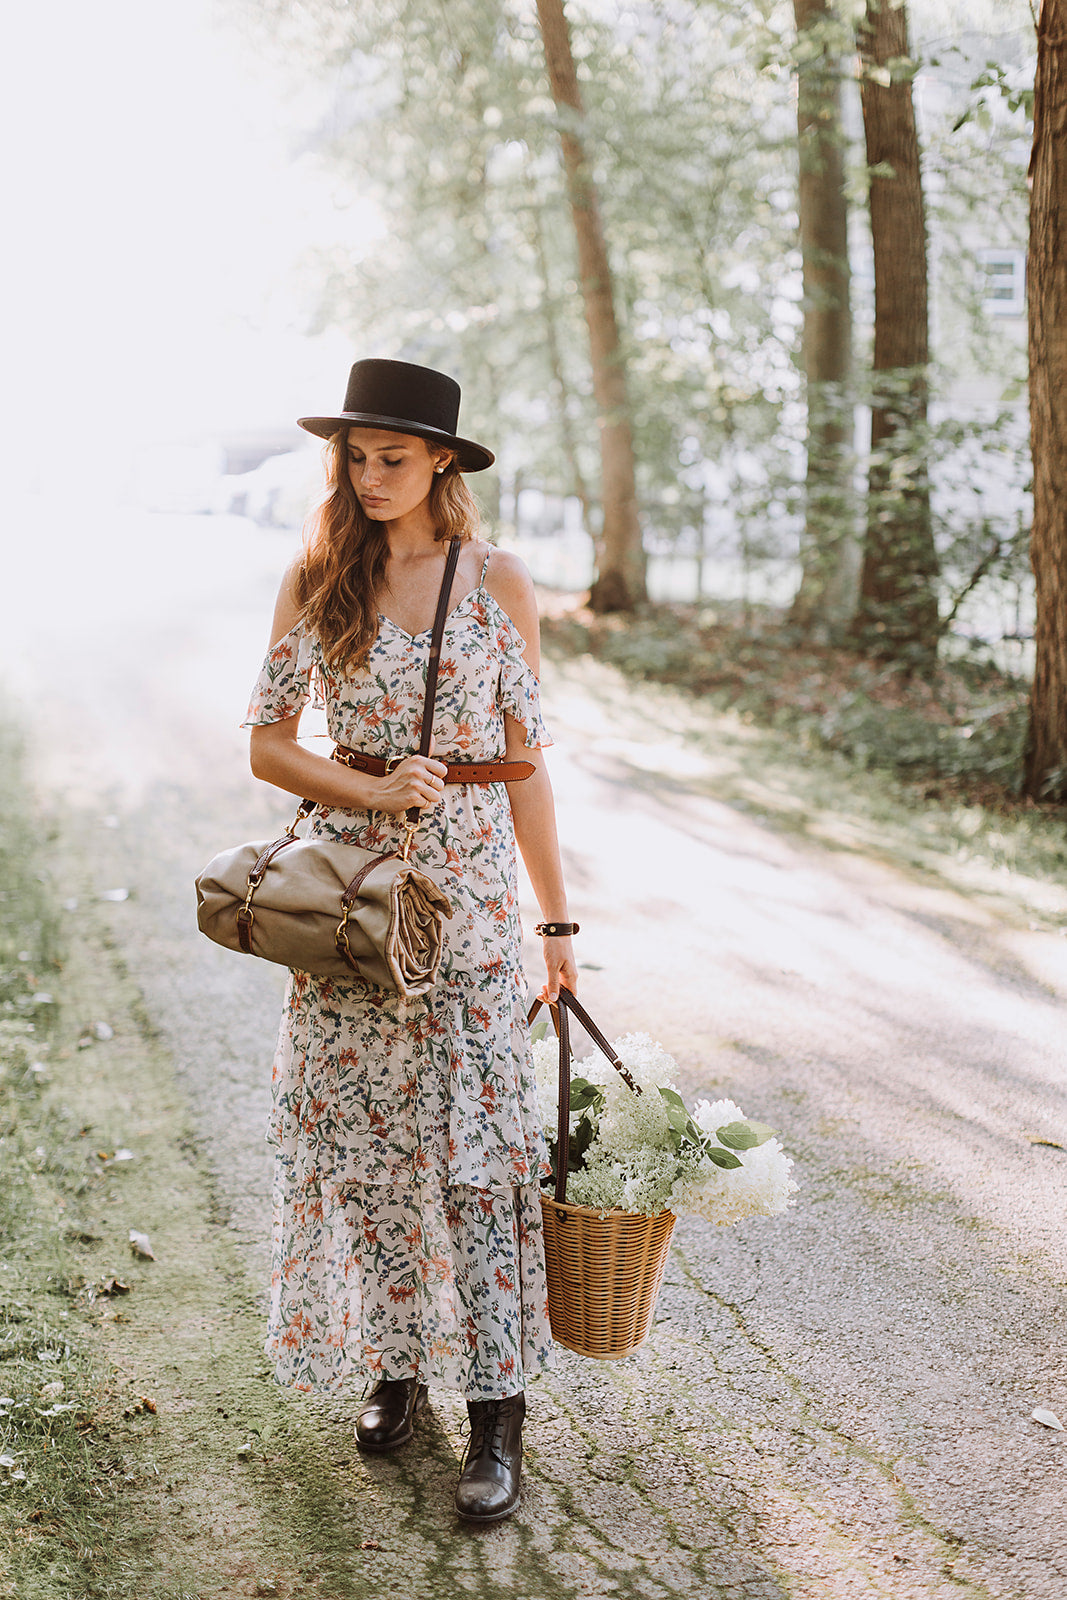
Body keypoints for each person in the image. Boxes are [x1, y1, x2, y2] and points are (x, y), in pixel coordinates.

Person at [242, 358, 577, 1524]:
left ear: (442, 458)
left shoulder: (498, 581)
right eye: (354, 456)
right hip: (350, 897)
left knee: (481, 1156)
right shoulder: (317, 576)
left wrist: (556, 919)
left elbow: (525, 768)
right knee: (371, 1151)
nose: (368, 476)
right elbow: (269, 747)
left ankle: (498, 1414)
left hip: (474, 898)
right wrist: (372, 793)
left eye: (391, 456)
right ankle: (397, 1372)